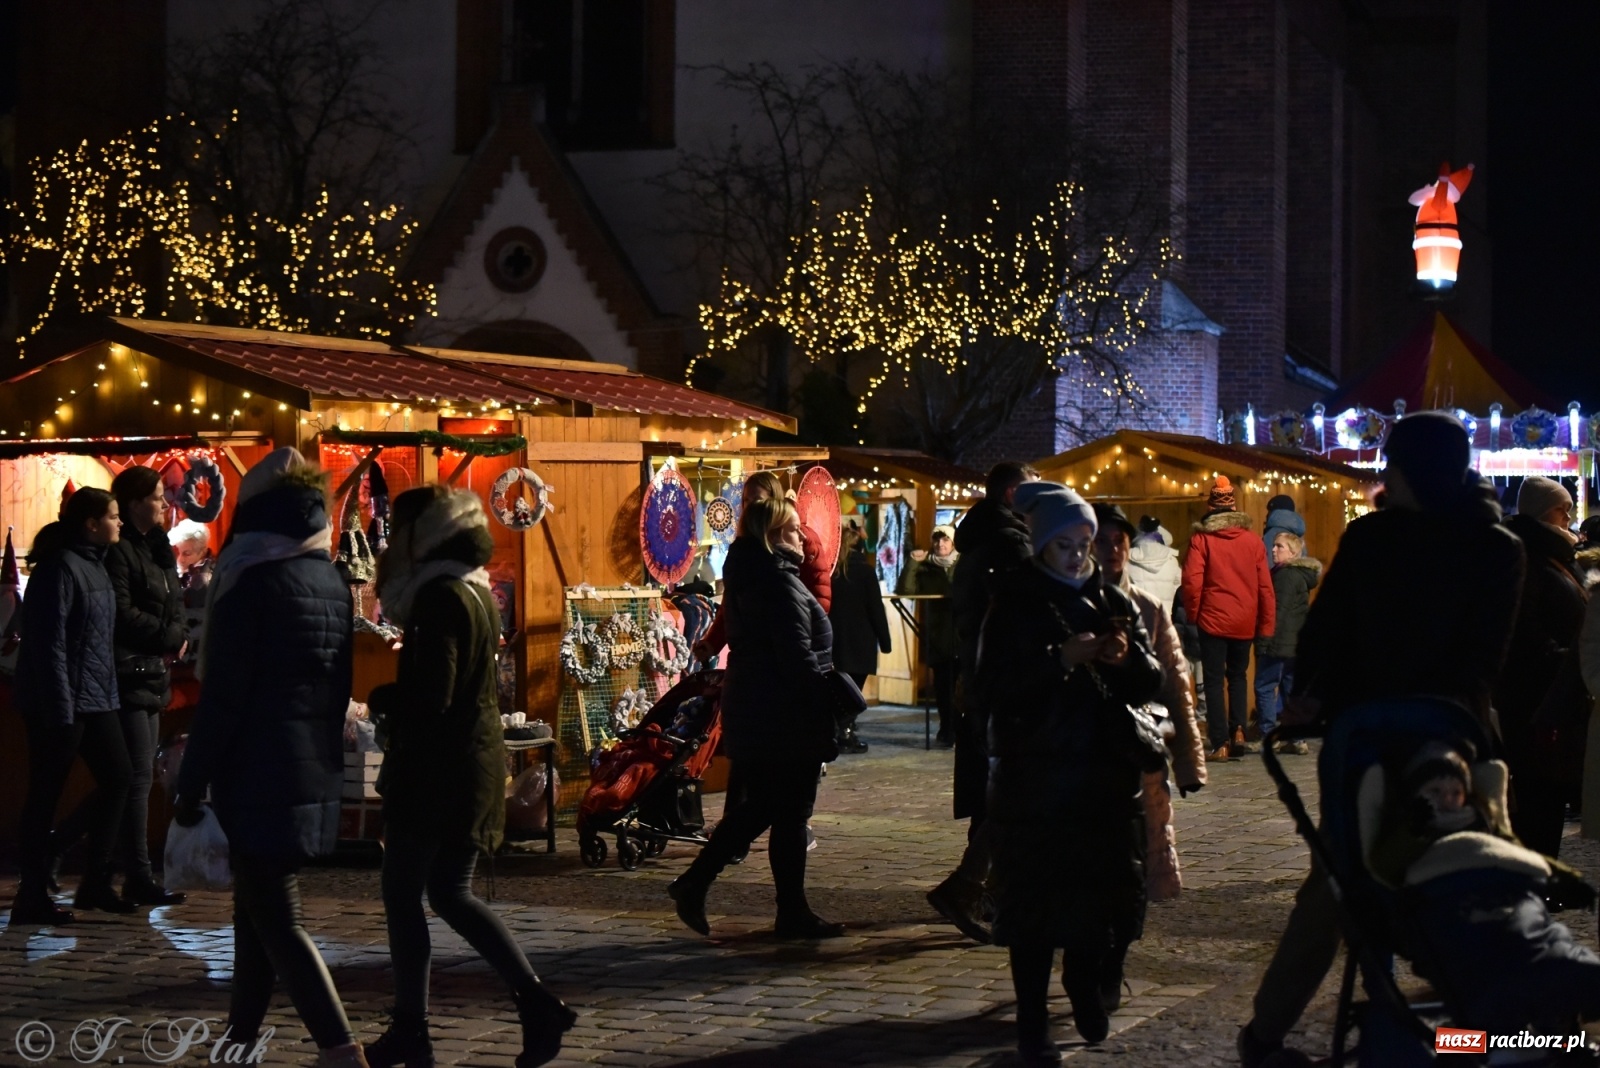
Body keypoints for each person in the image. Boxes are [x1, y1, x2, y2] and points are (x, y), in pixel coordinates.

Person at [1238, 411, 1525, 1068]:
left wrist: (1314, 696)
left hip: (1369, 736)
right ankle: (1480, 1023)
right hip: (1453, 738)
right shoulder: (1497, 546)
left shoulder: (1373, 540)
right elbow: (1482, 661)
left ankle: (1275, 1031)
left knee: (1341, 880)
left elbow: (1327, 632)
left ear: (1405, 470)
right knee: (1467, 877)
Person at [170, 448, 368, 1068]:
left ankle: (340, 1049)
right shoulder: (330, 579)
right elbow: (338, 684)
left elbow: (224, 698)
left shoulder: (249, 580)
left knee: (277, 916)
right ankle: (237, 1042)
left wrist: (190, 781)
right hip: (308, 760)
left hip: (256, 765)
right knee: (255, 912)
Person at [365, 486, 574, 1068]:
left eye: (401, 528)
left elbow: (434, 693)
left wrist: (386, 694)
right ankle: (535, 1004)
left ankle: (413, 1027)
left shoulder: (440, 597)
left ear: (423, 535)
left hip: (439, 770)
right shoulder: (473, 588)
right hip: (468, 762)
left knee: (407, 895)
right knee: (449, 893)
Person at [984, 482, 1163, 1059]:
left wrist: (1125, 658)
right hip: (1035, 773)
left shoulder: (1111, 598)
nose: (1079, 553)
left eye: (1085, 542)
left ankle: (1084, 985)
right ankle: (1032, 1026)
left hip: (1102, 774)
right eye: (1066, 543)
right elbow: (993, 687)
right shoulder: (1015, 599)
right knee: (1033, 909)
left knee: (1099, 897)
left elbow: (1150, 676)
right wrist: (1058, 660)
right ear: (1042, 545)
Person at [667, 496, 844, 940]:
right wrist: (827, 701)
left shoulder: (754, 576)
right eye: (790, 529)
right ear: (771, 538)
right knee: (785, 808)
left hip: (761, 707)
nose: (801, 536)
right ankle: (708, 885)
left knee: (771, 807)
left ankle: (771, 903)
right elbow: (796, 657)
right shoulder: (778, 583)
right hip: (784, 712)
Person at [1367, 742, 1600, 1041]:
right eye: (1435, 792)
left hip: (1505, 890)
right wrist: (1414, 830)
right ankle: (1473, 1042)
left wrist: (1564, 877)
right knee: (1490, 965)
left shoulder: (1479, 817)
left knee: (1541, 939)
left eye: (1454, 792)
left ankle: (1558, 1009)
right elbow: (1384, 867)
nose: (1447, 801)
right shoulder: (1413, 827)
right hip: (1448, 896)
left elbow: (1512, 851)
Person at [48, 467, 189, 908]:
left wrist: (177, 631)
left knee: (131, 779)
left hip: (152, 675)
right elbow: (121, 614)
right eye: (157, 497)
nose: (165, 504)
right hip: (124, 674)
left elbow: (174, 602)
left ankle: (113, 871)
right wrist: (168, 635)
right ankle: (115, 869)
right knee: (129, 777)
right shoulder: (117, 553)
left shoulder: (159, 548)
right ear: (132, 505)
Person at [9, 488, 133, 926]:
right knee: (45, 793)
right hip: (61, 700)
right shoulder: (61, 569)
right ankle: (31, 892)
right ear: (91, 523)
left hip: (95, 696)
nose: (119, 523)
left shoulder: (94, 565)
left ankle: (92, 877)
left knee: (121, 778)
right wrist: (60, 708)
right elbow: (50, 646)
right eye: (114, 516)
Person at [926, 460, 1038, 942]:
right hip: (1005, 683)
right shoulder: (1008, 542)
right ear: (1013, 493)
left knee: (999, 791)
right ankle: (976, 890)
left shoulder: (983, 536)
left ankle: (986, 892)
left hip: (983, 680)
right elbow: (1025, 612)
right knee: (1012, 791)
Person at [1092, 503, 1205, 909]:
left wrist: (1190, 763)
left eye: (1119, 540)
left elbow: (1177, 683)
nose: (1111, 549)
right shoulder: (1070, 603)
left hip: (1139, 740)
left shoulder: (1148, 607)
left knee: (1146, 829)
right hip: (1085, 746)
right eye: (1101, 540)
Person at [1495, 476, 1587, 858]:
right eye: (1560, 509)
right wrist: (1565, 659)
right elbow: (1524, 630)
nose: (1567, 517)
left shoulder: (1552, 555)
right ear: (1542, 511)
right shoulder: (1528, 556)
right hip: (1536, 696)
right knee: (1539, 793)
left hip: (1557, 691)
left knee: (1550, 791)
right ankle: (1536, 877)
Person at [1180, 475, 1274, 760]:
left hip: (1212, 619)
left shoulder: (1202, 539)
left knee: (1212, 680)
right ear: (1233, 508)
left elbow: (1192, 582)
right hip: (1244, 621)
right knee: (1237, 677)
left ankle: (1220, 742)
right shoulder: (1253, 541)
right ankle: (1239, 732)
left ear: (1211, 508)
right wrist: (1266, 624)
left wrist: (1194, 614)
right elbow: (1265, 587)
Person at [828, 519, 891, 754]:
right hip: (860, 642)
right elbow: (875, 608)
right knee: (853, 692)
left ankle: (837, 732)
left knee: (835, 691)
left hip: (834, 641)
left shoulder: (831, 571)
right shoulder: (865, 571)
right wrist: (885, 642)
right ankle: (846, 734)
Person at [1254, 532, 1320, 755]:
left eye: (1279, 547)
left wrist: (1264, 640)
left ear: (1293, 552)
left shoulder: (1285, 576)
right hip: (1294, 644)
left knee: (1264, 685)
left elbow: (1277, 612)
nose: (1273, 550)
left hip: (1279, 642)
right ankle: (1296, 737)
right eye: (1273, 546)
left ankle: (1268, 734)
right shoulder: (1301, 575)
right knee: (1290, 690)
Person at [898, 527, 959, 746]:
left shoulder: (962, 566)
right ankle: (947, 729)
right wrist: (913, 563)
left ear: (952, 542)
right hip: (938, 637)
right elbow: (905, 591)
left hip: (963, 635)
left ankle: (961, 729)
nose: (940, 544)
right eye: (937, 540)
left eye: (945, 540)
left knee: (962, 688)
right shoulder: (927, 568)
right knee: (943, 689)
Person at [169, 518, 214, 665]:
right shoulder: (188, 573)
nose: (180, 559)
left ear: (203, 551)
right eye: (178, 552)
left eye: (186, 553)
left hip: (195, 655)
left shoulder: (202, 579)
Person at [1128, 516, 1182, 609]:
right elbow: (1178, 585)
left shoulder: (1127, 560)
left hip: (1138, 617)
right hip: (1164, 616)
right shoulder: (1172, 561)